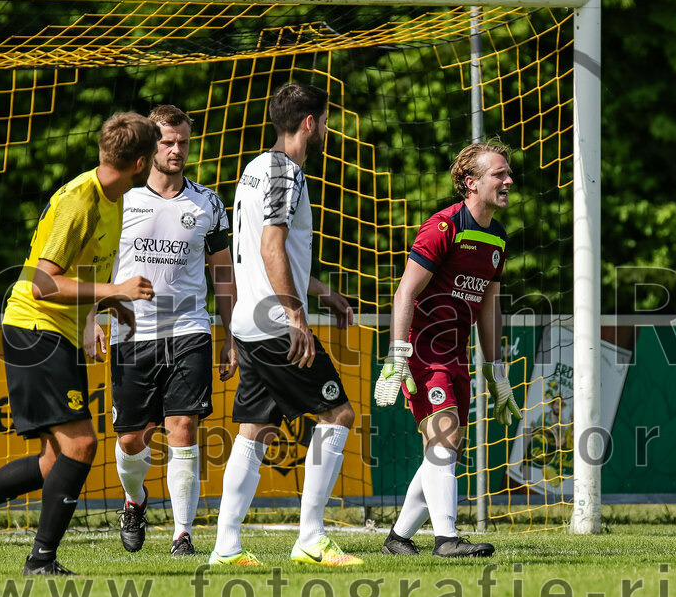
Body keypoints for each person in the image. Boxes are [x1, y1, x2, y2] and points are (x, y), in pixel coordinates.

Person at [0, 112, 158, 575]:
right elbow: (43, 283)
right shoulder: (82, 200)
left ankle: (40, 556)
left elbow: (82, 273)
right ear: (141, 161)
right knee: (80, 446)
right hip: (34, 329)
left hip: (55, 332)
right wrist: (114, 292)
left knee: (54, 459)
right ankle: (41, 560)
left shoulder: (114, 195)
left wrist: (102, 307)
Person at [208, 83, 361, 568]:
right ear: (310, 123)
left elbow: (266, 251)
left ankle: (226, 547)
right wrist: (296, 314)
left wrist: (322, 293)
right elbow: (271, 248)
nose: (328, 131)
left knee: (256, 431)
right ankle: (311, 537)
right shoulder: (287, 173)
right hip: (275, 321)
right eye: (327, 122)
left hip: (250, 320)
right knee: (338, 415)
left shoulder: (254, 169)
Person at [84, 105, 237, 557]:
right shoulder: (121, 199)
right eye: (167, 142)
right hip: (133, 333)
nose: (176, 150)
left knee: (183, 426)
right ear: (150, 146)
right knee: (131, 438)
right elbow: (96, 262)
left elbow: (223, 274)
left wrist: (230, 334)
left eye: (183, 142)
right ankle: (135, 500)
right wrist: (93, 315)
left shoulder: (208, 202)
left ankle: (183, 533)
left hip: (190, 329)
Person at [375, 140, 520, 558]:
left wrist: (497, 370)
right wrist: (397, 356)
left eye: (509, 173)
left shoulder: (497, 237)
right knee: (445, 435)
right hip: (421, 350)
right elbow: (404, 294)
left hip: (456, 354)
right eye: (499, 174)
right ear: (470, 183)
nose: (509, 180)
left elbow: (489, 307)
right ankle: (447, 540)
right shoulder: (443, 227)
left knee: (444, 449)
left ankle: (398, 538)